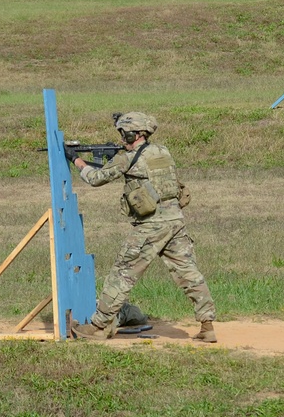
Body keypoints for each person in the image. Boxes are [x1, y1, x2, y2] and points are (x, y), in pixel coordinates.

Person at [65, 112, 217, 343]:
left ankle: (98, 326)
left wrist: (76, 160)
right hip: (175, 220)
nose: (121, 137)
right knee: (189, 273)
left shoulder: (127, 159)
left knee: (123, 272)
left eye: (123, 133)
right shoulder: (162, 151)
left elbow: (95, 178)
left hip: (151, 225)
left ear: (133, 134)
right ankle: (207, 325)